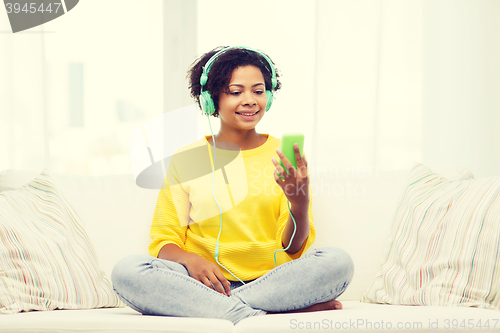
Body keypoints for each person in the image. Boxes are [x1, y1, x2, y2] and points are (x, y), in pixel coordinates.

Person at [111, 46, 354, 324]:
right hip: (202, 284)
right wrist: (192, 261)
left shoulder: (284, 155)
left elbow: (291, 249)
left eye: (258, 91)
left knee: (338, 262)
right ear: (210, 100)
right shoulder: (187, 159)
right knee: (128, 271)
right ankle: (266, 312)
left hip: (272, 282)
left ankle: (227, 309)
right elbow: (165, 241)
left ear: (269, 97)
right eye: (236, 92)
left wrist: (300, 203)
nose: (250, 100)